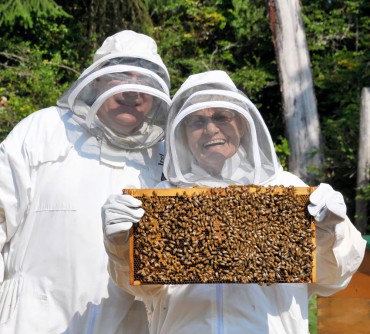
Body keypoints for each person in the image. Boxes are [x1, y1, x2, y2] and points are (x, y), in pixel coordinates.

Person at [102, 70, 366, 334]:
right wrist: (122, 249)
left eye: (221, 116)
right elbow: (141, 289)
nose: (211, 129)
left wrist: (330, 232)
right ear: (182, 133)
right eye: (196, 121)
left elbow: (334, 279)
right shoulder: (162, 197)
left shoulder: (287, 187)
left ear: (240, 123)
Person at [0, 30, 171, 334]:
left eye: (144, 80)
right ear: (96, 80)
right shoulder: (44, 128)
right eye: (122, 75)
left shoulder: (165, 156)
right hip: (30, 323)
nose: (133, 90)